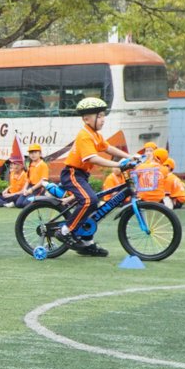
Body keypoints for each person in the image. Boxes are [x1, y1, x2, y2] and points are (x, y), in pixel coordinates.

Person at [60, 96, 131, 258]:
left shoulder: (95, 134)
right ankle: (65, 231)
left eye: (103, 115)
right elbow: (92, 158)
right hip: (72, 173)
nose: (103, 119)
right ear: (86, 118)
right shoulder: (84, 135)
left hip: (82, 175)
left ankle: (86, 242)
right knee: (89, 200)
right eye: (99, 116)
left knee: (94, 204)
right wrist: (118, 165)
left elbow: (108, 148)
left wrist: (130, 156)